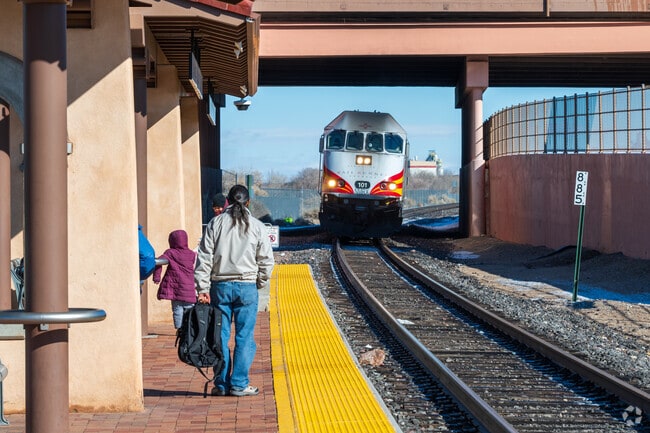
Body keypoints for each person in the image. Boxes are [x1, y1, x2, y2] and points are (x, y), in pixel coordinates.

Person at [194, 184, 274, 397]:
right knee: (244, 337)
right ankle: (239, 384)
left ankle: (221, 383)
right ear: (248, 202)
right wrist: (260, 281)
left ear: (227, 201)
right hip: (247, 286)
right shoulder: (257, 226)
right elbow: (266, 260)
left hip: (219, 286)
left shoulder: (215, 224)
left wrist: (202, 287)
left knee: (219, 336)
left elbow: (204, 257)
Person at [152, 230, 197, 329]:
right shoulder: (191, 254)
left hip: (175, 288)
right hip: (189, 288)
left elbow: (158, 262)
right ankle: (190, 329)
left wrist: (156, 277)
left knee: (177, 309)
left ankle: (179, 328)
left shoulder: (170, 253)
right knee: (190, 309)